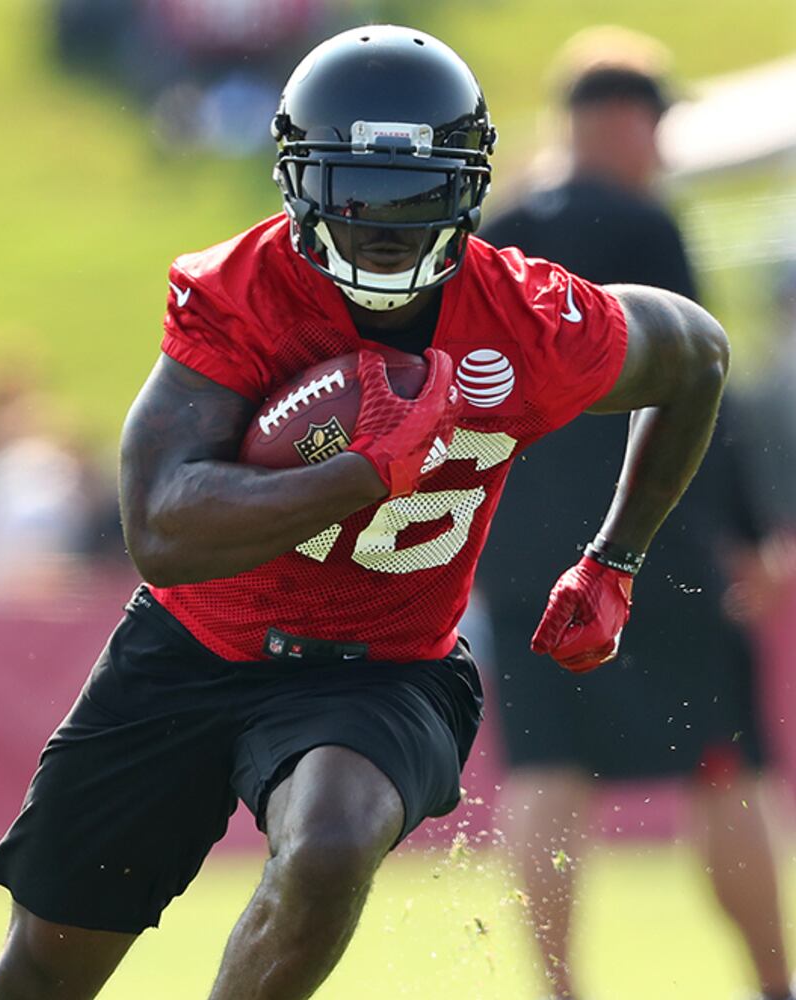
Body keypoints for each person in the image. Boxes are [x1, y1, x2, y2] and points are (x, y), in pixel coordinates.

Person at [0, 25, 730, 1000]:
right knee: (41, 970)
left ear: (468, 191)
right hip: (192, 647)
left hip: (386, 671)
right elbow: (158, 531)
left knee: (331, 838)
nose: (385, 224)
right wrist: (359, 472)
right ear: (298, 183)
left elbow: (696, 356)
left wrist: (615, 559)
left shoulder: (528, 321)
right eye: (357, 193)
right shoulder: (243, 293)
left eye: (415, 194)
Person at [478, 28, 793, 1000]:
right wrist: (748, 531)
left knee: (545, 773)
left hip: (522, 553)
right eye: (655, 123)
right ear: (620, 119)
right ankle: (775, 984)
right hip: (652, 542)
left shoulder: (495, 233)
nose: (659, 147)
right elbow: (697, 381)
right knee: (718, 762)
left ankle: (561, 990)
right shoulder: (647, 227)